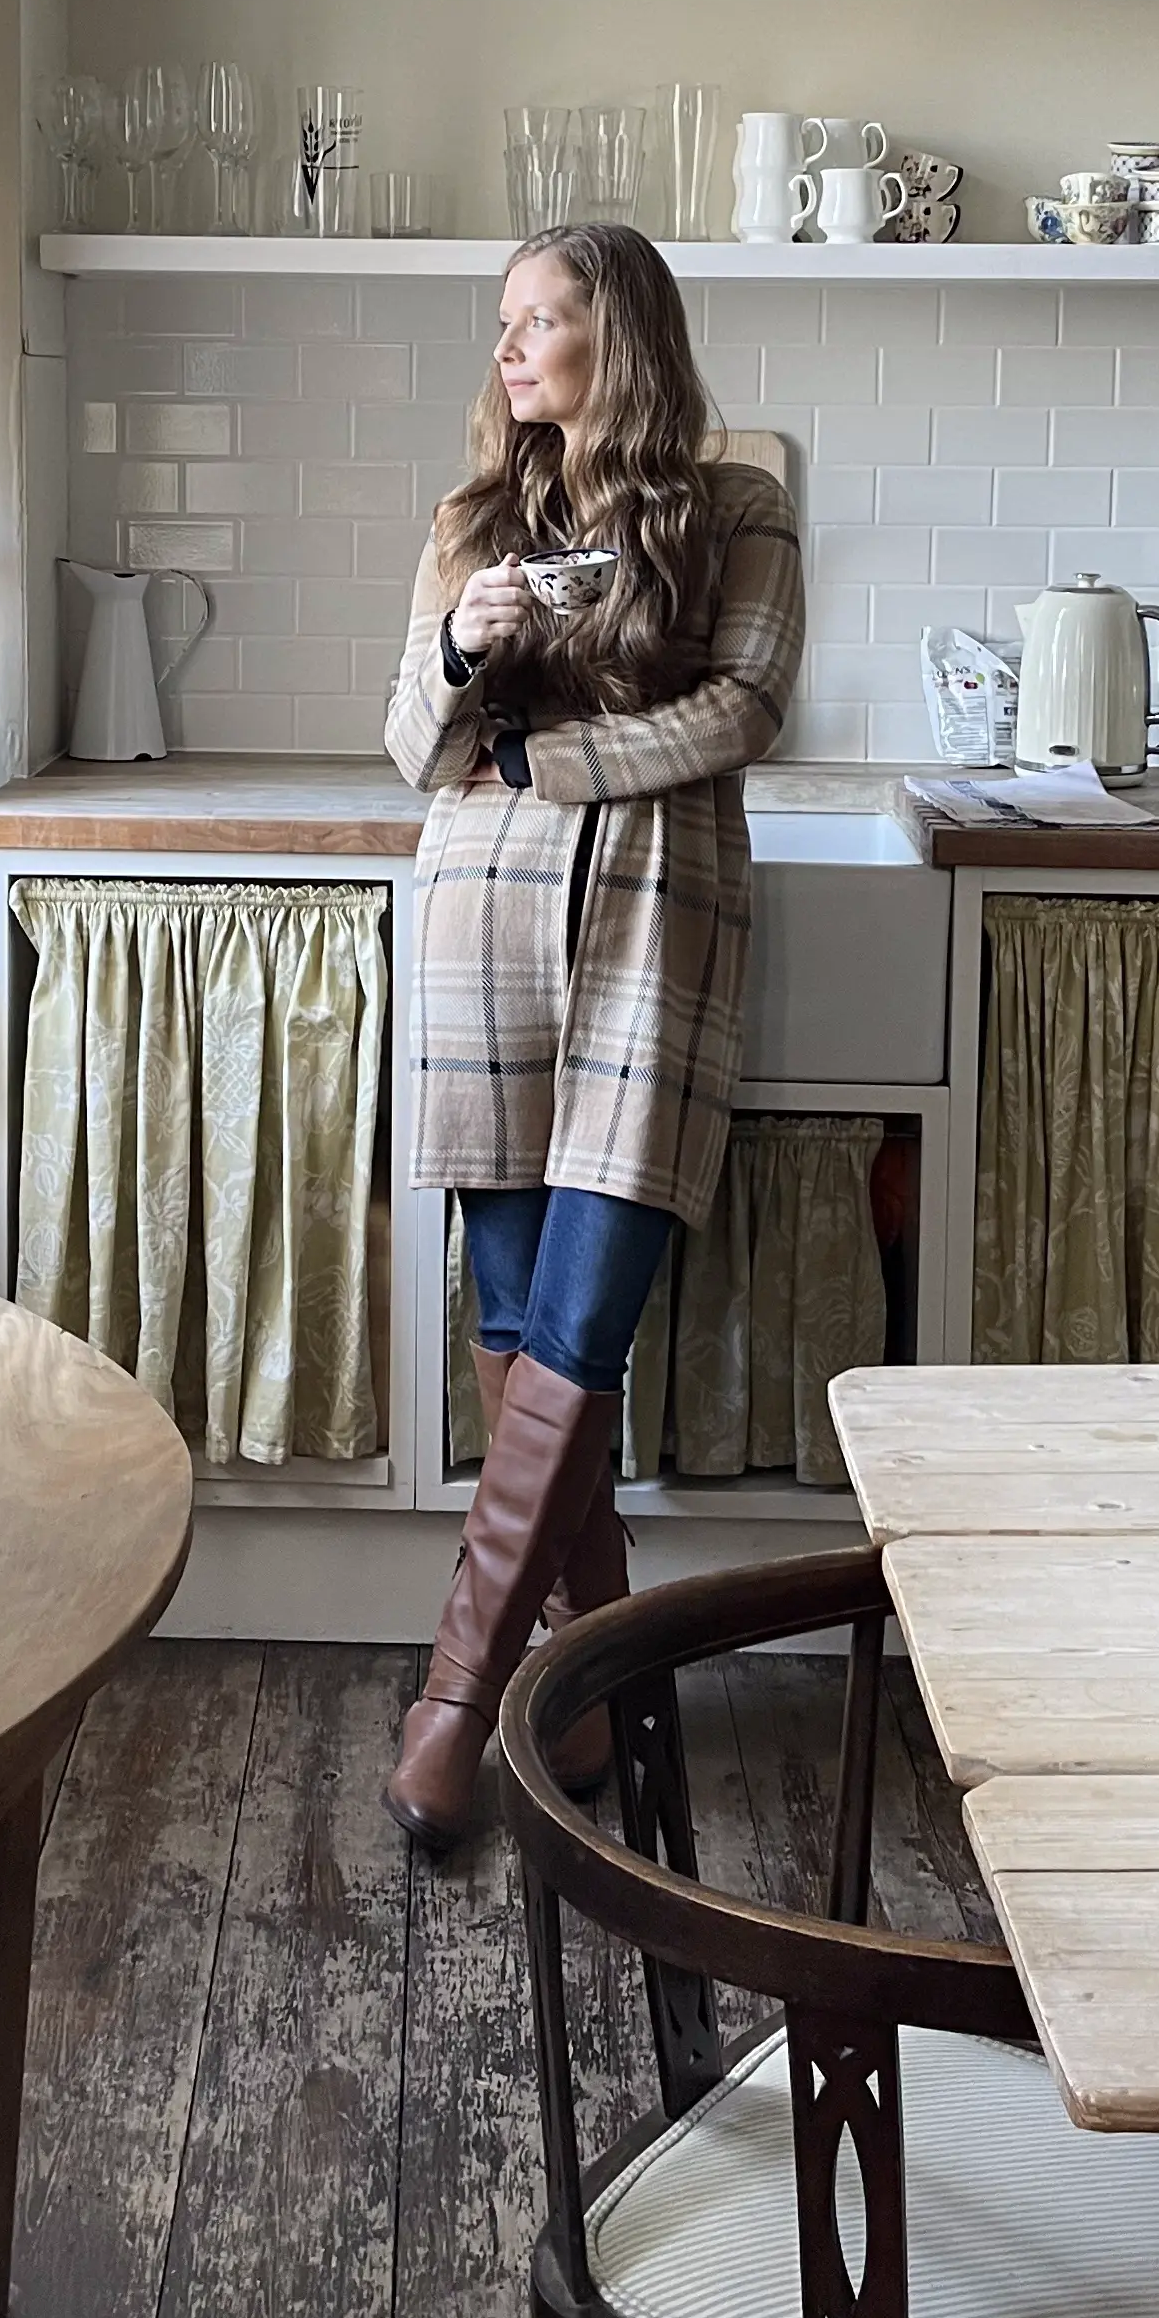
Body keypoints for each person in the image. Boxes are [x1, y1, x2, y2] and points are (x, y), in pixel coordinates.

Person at [379, 220, 806, 1854]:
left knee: (578, 1326)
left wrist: (554, 763)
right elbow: (416, 750)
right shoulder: (470, 521)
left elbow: (746, 710)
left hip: (654, 934)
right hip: (485, 932)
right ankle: (595, 1687)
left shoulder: (739, 508)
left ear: (614, 338)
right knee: (514, 1319)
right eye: (500, 324)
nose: (506, 351)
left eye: (537, 321)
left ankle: (453, 1704)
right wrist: (458, 650)